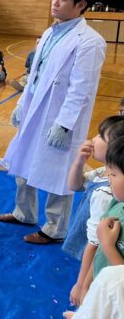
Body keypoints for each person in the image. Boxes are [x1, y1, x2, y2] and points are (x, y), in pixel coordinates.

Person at [0, 0, 106, 245]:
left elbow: (82, 88)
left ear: (80, 4)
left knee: (59, 171)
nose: (55, 3)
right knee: (23, 159)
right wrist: (21, 104)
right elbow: (34, 75)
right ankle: (24, 213)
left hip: (60, 116)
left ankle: (55, 229)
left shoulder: (90, 41)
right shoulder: (49, 33)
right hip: (35, 108)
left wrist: (64, 124)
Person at [64, 117, 124, 306]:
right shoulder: (103, 173)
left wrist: (81, 285)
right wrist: (79, 161)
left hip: (106, 278)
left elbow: (95, 245)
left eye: (101, 136)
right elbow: (75, 185)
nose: (93, 139)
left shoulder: (107, 194)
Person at [91, 135, 124, 278]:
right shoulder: (116, 204)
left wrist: (108, 246)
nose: (108, 177)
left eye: (113, 174)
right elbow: (99, 255)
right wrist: (85, 285)